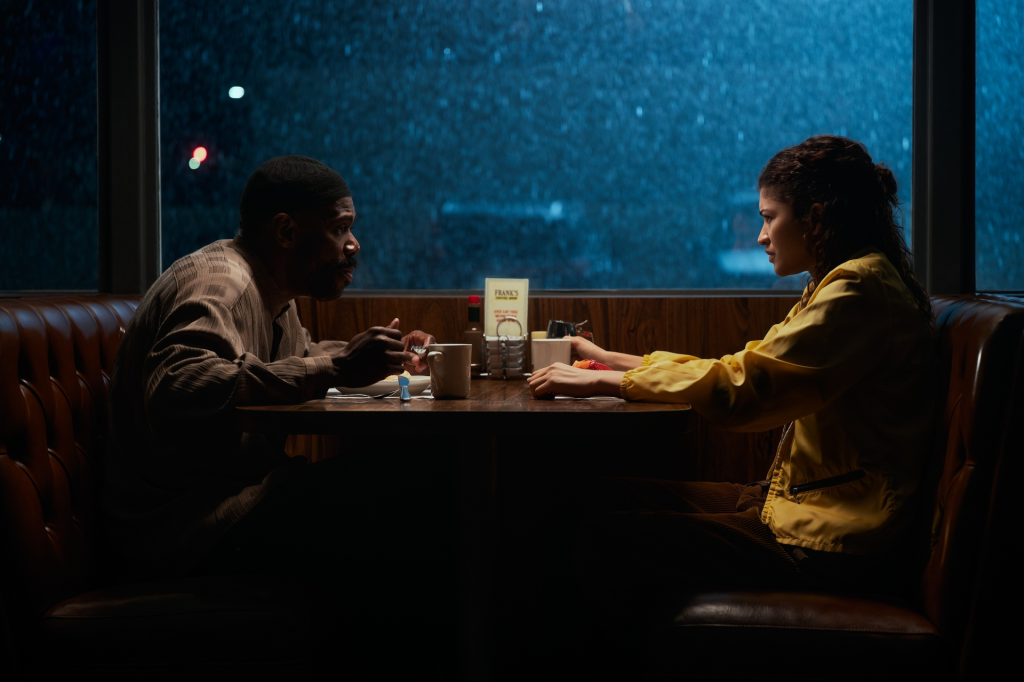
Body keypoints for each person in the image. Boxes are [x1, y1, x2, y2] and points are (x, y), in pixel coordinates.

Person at [529, 136, 936, 667]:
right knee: (587, 495)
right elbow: (744, 364)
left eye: (770, 217)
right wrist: (613, 360)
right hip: (796, 505)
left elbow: (742, 391)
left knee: (603, 538)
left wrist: (608, 383)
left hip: (832, 539)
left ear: (815, 216)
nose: (762, 235)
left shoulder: (857, 291)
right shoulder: (838, 283)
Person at [104, 155, 436, 581]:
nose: (354, 244)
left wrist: (386, 356)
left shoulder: (273, 293)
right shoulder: (223, 282)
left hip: (231, 501)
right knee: (419, 487)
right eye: (339, 228)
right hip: (183, 532)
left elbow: (284, 361)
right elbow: (178, 384)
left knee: (410, 479)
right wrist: (337, 367)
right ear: (286, 231)